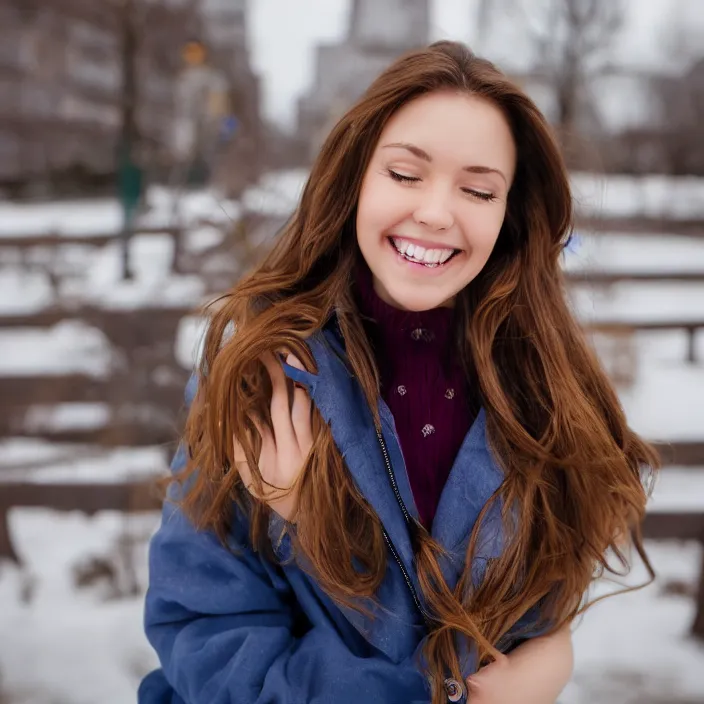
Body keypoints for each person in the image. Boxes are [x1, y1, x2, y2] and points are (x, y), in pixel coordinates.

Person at [138, 41, 658, 704]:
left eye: (477, 189)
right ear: (357, 178)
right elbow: (204, 628)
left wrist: (549, 654)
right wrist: (311, 528)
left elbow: (530, 614)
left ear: (508, 214)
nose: (436, 212)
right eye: (405, 175)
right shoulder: (261, 370)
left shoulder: (547, 391)